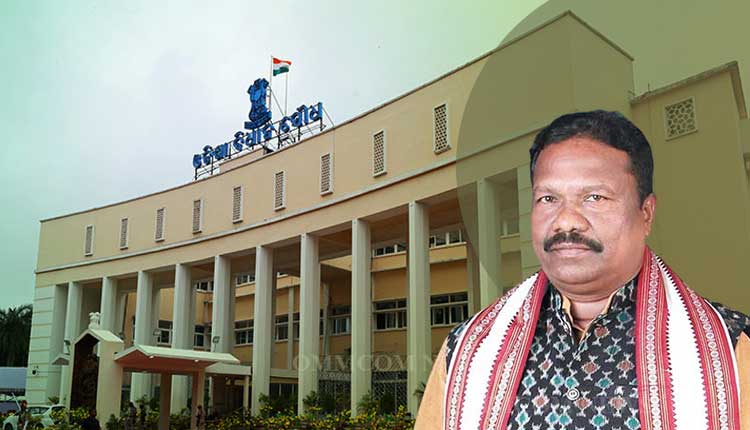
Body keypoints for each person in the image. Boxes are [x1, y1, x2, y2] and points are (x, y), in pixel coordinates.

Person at [415, 110, 750, 429]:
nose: (566, 221)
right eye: (548, 199)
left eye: (594, 197)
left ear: (646, 213)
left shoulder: (734, 351)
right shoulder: (468, 350)